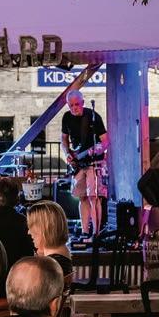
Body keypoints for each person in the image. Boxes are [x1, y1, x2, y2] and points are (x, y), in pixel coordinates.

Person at [61, 90, 110, 237]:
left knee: (93, 197)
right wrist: (67, 153)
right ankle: (85, 232)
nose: (74, 108)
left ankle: (96, 233)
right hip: (78, 163)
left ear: (82, 103)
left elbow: (105, 141)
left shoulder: (93, 117)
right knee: (82, 197)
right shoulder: (66, 117)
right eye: (71, 105)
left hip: (94, 162)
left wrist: (96, 149)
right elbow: (64, 138)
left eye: (77, 104)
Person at [27, 200, 72, 277]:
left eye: (32, 226)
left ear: (45, 228)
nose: (29, 232)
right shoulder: (61, 256)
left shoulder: (49, 267)